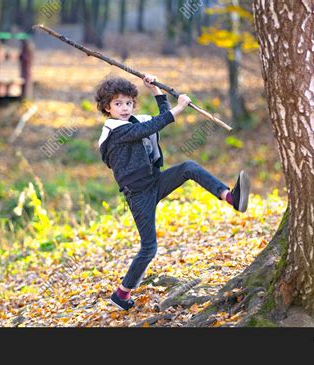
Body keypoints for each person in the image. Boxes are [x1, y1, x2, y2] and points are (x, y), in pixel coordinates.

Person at [96, 75, 251, 311]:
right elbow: (152, 126)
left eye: (128, 103)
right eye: (118, 104)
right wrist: (178, 108)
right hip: (138, 195)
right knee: (149, 248)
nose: (125, 108)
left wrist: (157, 91)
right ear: (107, 108)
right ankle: (122, 294)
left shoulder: (132, 122)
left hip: (154, 181)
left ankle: (230, 197)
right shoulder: (115, 131)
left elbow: (157, 119)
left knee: (188, 167)